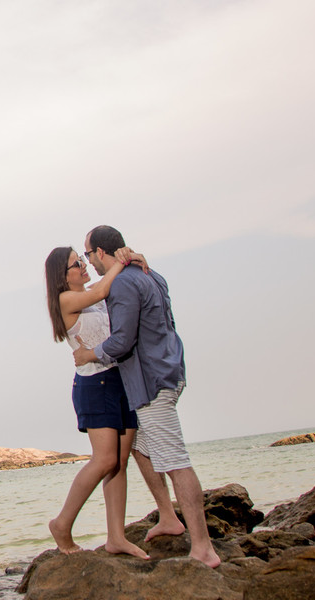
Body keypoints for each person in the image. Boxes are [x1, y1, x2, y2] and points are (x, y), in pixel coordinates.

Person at [73, 224, 220, 568]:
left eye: (89, 254)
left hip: (151, 381)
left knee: (175, 461)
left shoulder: (123, 283)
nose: (89, 261)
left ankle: (203, 548)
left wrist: (90, 355)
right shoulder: (150, 273)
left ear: (101, 253)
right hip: (167, 372)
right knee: (138, 447)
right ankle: (168, 517)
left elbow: (122, 342)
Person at [43, 244, 149, 559]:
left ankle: (116, 536)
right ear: (63, 277)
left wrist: (136, 262)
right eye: (77, 264)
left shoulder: (92, 292)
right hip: (95, 383)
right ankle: (61, 524)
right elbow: (103, 289)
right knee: (104, 460)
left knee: (119, 462)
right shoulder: (66, 300)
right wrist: (121, 260)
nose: (84, 266)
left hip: (120, 379)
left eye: (82, 260)